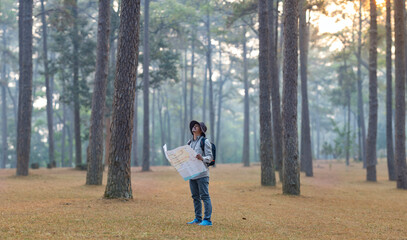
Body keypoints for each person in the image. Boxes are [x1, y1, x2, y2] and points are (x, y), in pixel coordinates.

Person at [186, 120, 213, 226]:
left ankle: (207, 220)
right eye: (193, 126)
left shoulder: (204, 141)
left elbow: (210, 157)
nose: (194, 127)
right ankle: (197, 218)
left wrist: (202, 158)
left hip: (202, 174)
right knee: (195, 197)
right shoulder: (189, 143)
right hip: (192, 174)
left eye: (196, 126)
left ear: (201, 130)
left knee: (205, 196)